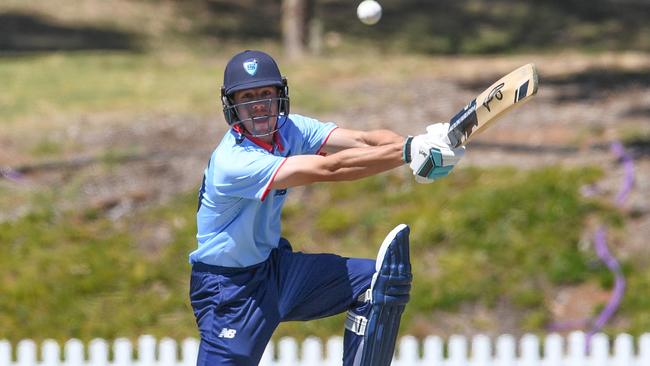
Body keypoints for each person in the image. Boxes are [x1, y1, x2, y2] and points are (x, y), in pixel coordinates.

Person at [189, 50, 465, 366]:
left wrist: (424, 145)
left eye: (265, 93)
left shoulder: (290, 129)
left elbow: (363, 141)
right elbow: (329, 169)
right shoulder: (234, 162)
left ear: (280, 95)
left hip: (275, 270)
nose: (258, 104)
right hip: (230, 290)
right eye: (247, 96)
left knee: (379, 283)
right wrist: (407, 151)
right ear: (232, 105)